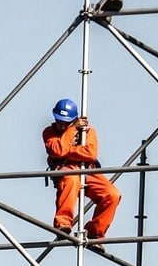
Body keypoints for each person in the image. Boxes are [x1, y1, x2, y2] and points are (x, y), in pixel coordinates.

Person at [42, 98, 122, 240]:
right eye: (59, 121)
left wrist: (68, 149)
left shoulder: (87, 132)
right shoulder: (49, 132)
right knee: (71, 180)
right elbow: (57, 150)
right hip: (66, 169)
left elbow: (90, 153)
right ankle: (63, 224)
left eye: (65, 123)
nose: (61, 125)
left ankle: (95, 232)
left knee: (112, 194)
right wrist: (72, 132)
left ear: (73, 120)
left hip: (87, 170)